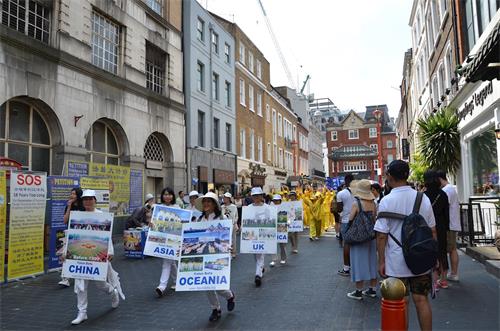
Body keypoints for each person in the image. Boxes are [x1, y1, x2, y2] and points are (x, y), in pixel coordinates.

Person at [375, 160, 436, 331]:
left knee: (401, 302)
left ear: (389, 177)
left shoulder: (386, 201)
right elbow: (432, 231)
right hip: (420, 259)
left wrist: (381, 261)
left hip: (395, 261)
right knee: (422, 300)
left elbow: (381, 236)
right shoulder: (422, 198)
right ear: (407, 175)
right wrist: (434, 257)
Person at [69, 190, 125, 325]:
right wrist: (67, 253)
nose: (88, 201)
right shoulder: (77, 216)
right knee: (81, 284)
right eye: (85, 199)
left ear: (95, 200)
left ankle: (113, 292)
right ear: (82, 202)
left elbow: (107, 236)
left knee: (100, 284)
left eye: (90, 199)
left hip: (99, 255)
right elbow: (71, 235)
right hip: (80, 255)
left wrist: (110, 252)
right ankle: (82, 312)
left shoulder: (102, 216)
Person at [193, 192, 236, 322]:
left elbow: (226, 236)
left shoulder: (221, 219)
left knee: (218, 285)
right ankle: (215, 309)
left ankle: (229, 296)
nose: (206, 204)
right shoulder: (199, 220)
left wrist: (229, 246)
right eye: (204, 201)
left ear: (214, 205)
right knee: (207, 284)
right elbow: (193, 236)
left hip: (217, 254)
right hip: (203, 254)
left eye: (209, 201)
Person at [346, 179, 378, 300]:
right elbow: (374, 219)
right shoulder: (373, 204)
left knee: (358, 262)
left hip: (358, 238)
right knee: (372, 261)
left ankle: (358, 291)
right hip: (371, 237)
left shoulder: (357, 204)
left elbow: (350, 220)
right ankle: (372, 289)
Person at [423, 170, 449, 289]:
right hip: (441, 225)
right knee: (442, 252)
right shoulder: (443, 194)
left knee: (431, 253)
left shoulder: (424, 196)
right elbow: (446, 213)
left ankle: (434, 282)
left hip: (428, 226)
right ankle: (443, 280)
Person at [436, 170, 460, 282]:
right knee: (452, 249)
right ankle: (453, 273)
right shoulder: (451, 189)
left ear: (440, 179)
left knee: (450, 249)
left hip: (448, 224)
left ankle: (453, 274)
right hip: (452, 223)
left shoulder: (446, 191)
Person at [155, 187, 180, 297]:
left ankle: (162, 286)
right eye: (165, 194)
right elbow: (154, 222)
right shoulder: (159, 208)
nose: (167, 196)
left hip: (174, 238)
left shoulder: (177, 207)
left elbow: (181, 223)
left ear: (173, 196)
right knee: (171, 261)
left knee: (166, 262)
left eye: (169, 194)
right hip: (162, 238)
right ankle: (177, 280)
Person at [58, 187, 85, 287]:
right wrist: (69, 207)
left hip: (81, 235)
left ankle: (80, 275)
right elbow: (65, 221)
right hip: (70, 234)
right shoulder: (69, 205)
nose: (71, 195)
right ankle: (65, 279)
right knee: (66, 254)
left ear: (78, 195)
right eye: (71, 194)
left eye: (74, 194)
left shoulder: (84, 206)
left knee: (79, 255)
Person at [335, 174, 355, 276]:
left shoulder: (341, 194)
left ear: (346, 181)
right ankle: (357, 267)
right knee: (357, 245)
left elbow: (339, 209)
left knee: (346, 244)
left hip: (346, 221)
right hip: (357, 221)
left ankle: (346, 268)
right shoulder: (359, 193)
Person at [249, 187, 267, 287]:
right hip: (252, 235)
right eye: (254, 196)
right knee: (255, 254)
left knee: (260, 255)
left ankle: (258, 275)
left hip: (263, 234)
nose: (256, 197)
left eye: (258, 195)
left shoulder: (267, 207)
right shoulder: (248, 208)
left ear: (261, 196)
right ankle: (261, 267)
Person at [270, 194, 287, 266]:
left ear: (280, 201)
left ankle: (283, 258)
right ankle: (273, 259)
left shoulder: (284, 207)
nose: (276, 202)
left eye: (277, 200)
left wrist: (288, 222)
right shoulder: (270, 208)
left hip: (282, 227)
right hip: (273, 226)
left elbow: (287, 216)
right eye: (274, 200)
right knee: (272, 244)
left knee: (282, 244)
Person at [221, 192, 239, 258]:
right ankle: (226, 251)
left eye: (226, 197)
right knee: (225, 239)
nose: (224, 199)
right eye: (224, 197)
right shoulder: (222, 207)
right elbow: (220, 216)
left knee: (233, 239)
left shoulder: (234, 207)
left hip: (232, 224)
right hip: (224, 225)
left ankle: (233, 252)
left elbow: (236, 216)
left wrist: (235, 222)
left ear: (229, 199)